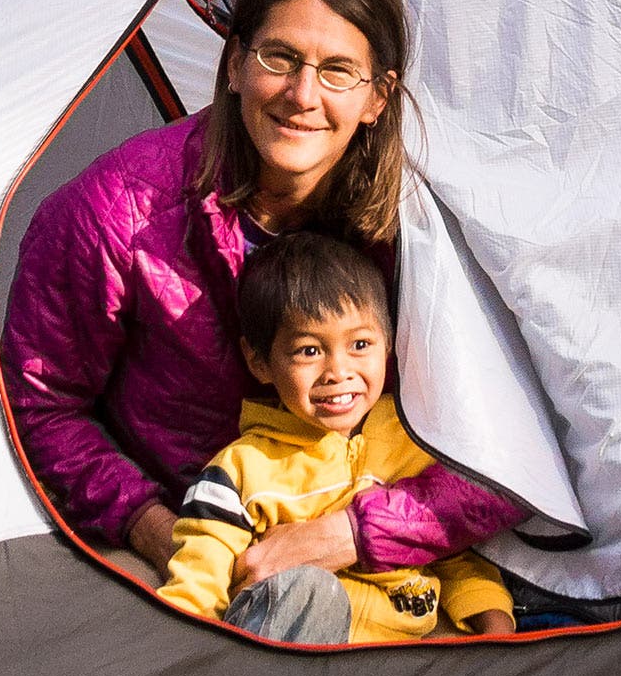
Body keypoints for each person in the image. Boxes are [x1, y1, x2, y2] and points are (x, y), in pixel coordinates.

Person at [0, 0, 522, 593]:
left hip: (383, 536)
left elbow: (512, 442)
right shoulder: (112, 216)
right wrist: (162, 534)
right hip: (193, 536)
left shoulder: (422, 227)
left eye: (337, 71)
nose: (303, 95)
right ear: (236, 63)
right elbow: (42, 408)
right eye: (280, 58)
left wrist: (354, 534)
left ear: (378, 98)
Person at [155, 232, 516, 643]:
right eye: (309, 351)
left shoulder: (416, 443)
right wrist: (183, 648)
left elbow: (454, 550)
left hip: (400, 656)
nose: (337, 371)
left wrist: (492, 617)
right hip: (290, 655)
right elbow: (197, 583)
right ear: (260, 361)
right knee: (310, 591)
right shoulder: (241, 470)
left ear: (390, 346)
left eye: (360, 344)